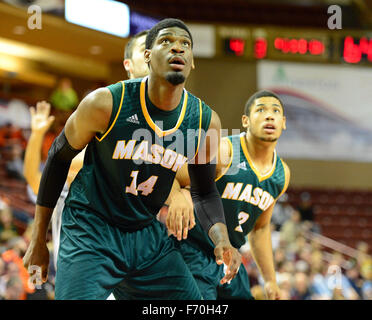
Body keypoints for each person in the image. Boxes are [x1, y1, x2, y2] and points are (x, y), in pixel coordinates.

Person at [23, 18, 240, 300]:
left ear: (192, 61)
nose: (177, 49)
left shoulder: (206, 121)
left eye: (185, 45)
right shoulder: (105, 103)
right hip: (92, 229)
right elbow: (57, 158)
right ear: (147, 57)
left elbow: (204, 189)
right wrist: (39, 238)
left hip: (144, 232)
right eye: (166, 42)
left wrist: (222, 239)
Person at [23, 30, 151, 272]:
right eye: (145, 47)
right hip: (86, 265)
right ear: (128, 64)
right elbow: (37, 179)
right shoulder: (106, 113)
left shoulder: (170, 121)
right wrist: (37, 135)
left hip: (130, 260)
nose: (151, 53)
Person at [161, 90, 290, 300]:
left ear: (283, 122)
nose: (269, 116)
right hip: (194, 250)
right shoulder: (224, 151)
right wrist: (178, 195)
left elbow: (261, 228)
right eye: (261, 110)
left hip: (231, 258)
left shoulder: (281, 174)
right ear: (245, 121)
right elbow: (172, 173)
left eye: (276, 111)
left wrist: (270, 279)